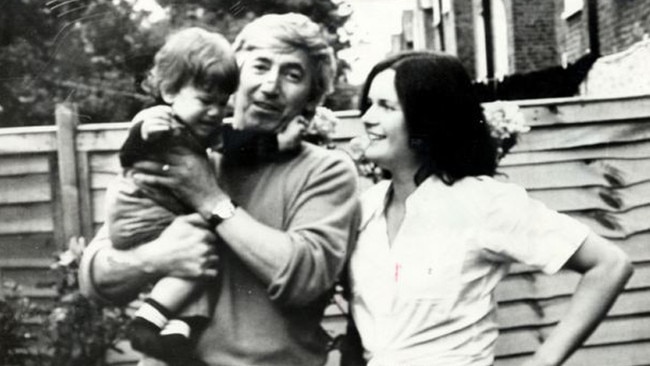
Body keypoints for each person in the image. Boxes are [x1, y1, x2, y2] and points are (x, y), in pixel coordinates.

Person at [79, 13, 359, 366]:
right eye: (260, 66)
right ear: (234, 76)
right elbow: (94, 276)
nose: (271, 85)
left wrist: (208, 198)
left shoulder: (325, 170)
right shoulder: (185, 146)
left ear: (311, 98)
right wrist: (154, 258)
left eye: (292, 75)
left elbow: (304, 277)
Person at [344, 51, 634, 366]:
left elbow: (610, 265)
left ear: (427, 120)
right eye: (370, 104)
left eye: (386, 106)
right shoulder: (364, 209)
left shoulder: (481, 203)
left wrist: (542, 362)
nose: (367, 117)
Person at [105, 26, 303, 365]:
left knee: (204, 260)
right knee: (203, 242)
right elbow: (130, 152)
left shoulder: (202, 130)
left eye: (221, 103)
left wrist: (277, 143)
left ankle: (178, 327)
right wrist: (145, 130)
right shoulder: (159, 120)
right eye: (204, 101)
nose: (214, 112)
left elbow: (237, 144)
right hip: (139, 215)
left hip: (158, 217)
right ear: (169, 91)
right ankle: (149, 318)